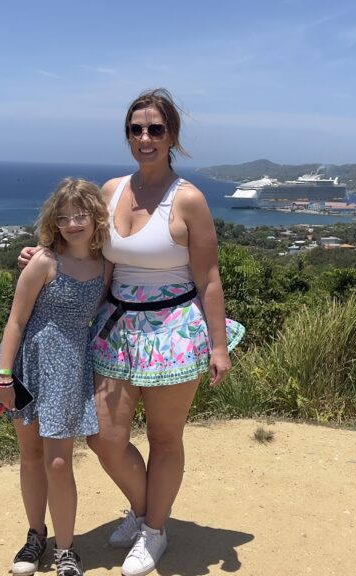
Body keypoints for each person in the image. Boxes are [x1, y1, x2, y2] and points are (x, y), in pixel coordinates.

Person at [21, 88, 244, 576]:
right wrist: (41, 257)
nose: (145, 137)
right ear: (128, 135)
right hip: (117, 327)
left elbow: (208, 277)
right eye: (136, 129)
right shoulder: (110, 191)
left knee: (165, 439)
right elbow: (83, 249)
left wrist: (219, 345)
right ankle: (146, 515)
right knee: (105, 436)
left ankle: (154, 530)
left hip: (174, 328)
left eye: (155, 129)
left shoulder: (188, 199)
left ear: (171, 137)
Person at [0, 178, 111, 576]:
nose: (73, 223)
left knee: (59, 463)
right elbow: (17, 320)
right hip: (25, 365)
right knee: (31, 455)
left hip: (69, 370)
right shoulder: (43, 261)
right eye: (64, 216)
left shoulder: (106, 265)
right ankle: (35, 536)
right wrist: (4, 377)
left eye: (80, 215)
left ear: (96, 217)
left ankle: (66, 549)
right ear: (53, 222)